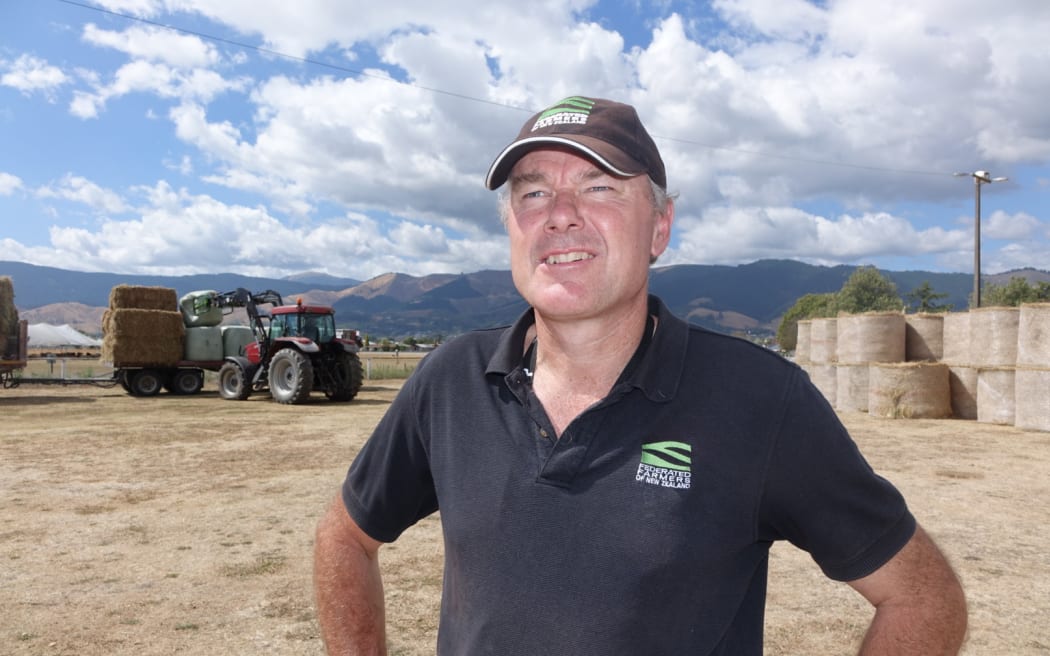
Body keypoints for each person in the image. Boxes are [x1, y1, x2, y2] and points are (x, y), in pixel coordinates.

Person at [313, 96, 968, 654]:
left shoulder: (760, 402)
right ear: (512, 226)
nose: (560, 212)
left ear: (659, 226)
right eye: (533, 192)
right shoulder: (451, 380)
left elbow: (922, 598)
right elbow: (344, 536)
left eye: (600, 188)